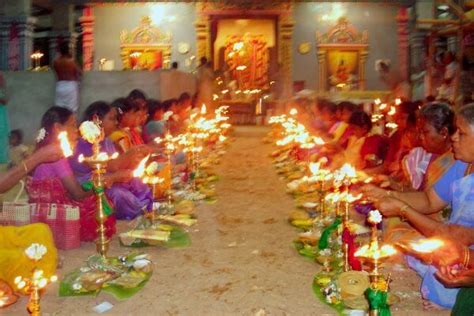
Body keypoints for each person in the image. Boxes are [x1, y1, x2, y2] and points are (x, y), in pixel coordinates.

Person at [362, 103, 474, 309]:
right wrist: (388, 194)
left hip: (464, 250)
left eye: (462, 133)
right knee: (426, 258)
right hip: (453, 244)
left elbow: (454, 234)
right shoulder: (463, 164)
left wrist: (402, 209)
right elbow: (430, 201)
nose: (454, 137)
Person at [26, 106, 115, 242]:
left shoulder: (45, 150)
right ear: (57, 128)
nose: (76, 130)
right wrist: (100, 185)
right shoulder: (56, 156)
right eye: (73, 125)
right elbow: (77, 194)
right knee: (97, 200)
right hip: (53, 212)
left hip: (43, 209)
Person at [70, 101, 153, 220]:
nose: (116, 122)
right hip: (90, 185)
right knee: (118, 194)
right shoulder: (83, 144)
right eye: (111, 119)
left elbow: (117, 165)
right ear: (96, 120)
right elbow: (111, 166)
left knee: (137, 182)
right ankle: (138, 210)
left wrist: (134, 162)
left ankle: (146, 206)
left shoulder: (106, 140)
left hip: (109, 179)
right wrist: (131, 154)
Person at [53, 42, 82, 112]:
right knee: (71, 110)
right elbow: (80, 72)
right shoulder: (71, 61)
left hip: (60, 86)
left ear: (59, 51)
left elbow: (56, 73)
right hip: (70, 86)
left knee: (59, 109)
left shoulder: (56, 62)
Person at [0, 72, 10, 167]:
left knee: (2, 135)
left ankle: (2, 158)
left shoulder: (2, 90)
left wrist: (3, 85)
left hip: (2, 116)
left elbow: (6, 100)